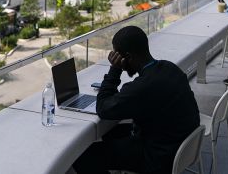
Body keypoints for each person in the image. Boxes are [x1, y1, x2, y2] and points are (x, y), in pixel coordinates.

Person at [72, 26, 200, 174]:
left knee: (84, 157)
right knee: (110, 132)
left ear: (128, 57)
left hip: (158, 157)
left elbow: (103, 109)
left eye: (118, 56)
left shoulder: (142, 87)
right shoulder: (169, 68)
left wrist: (115, 70)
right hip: (179, 144)